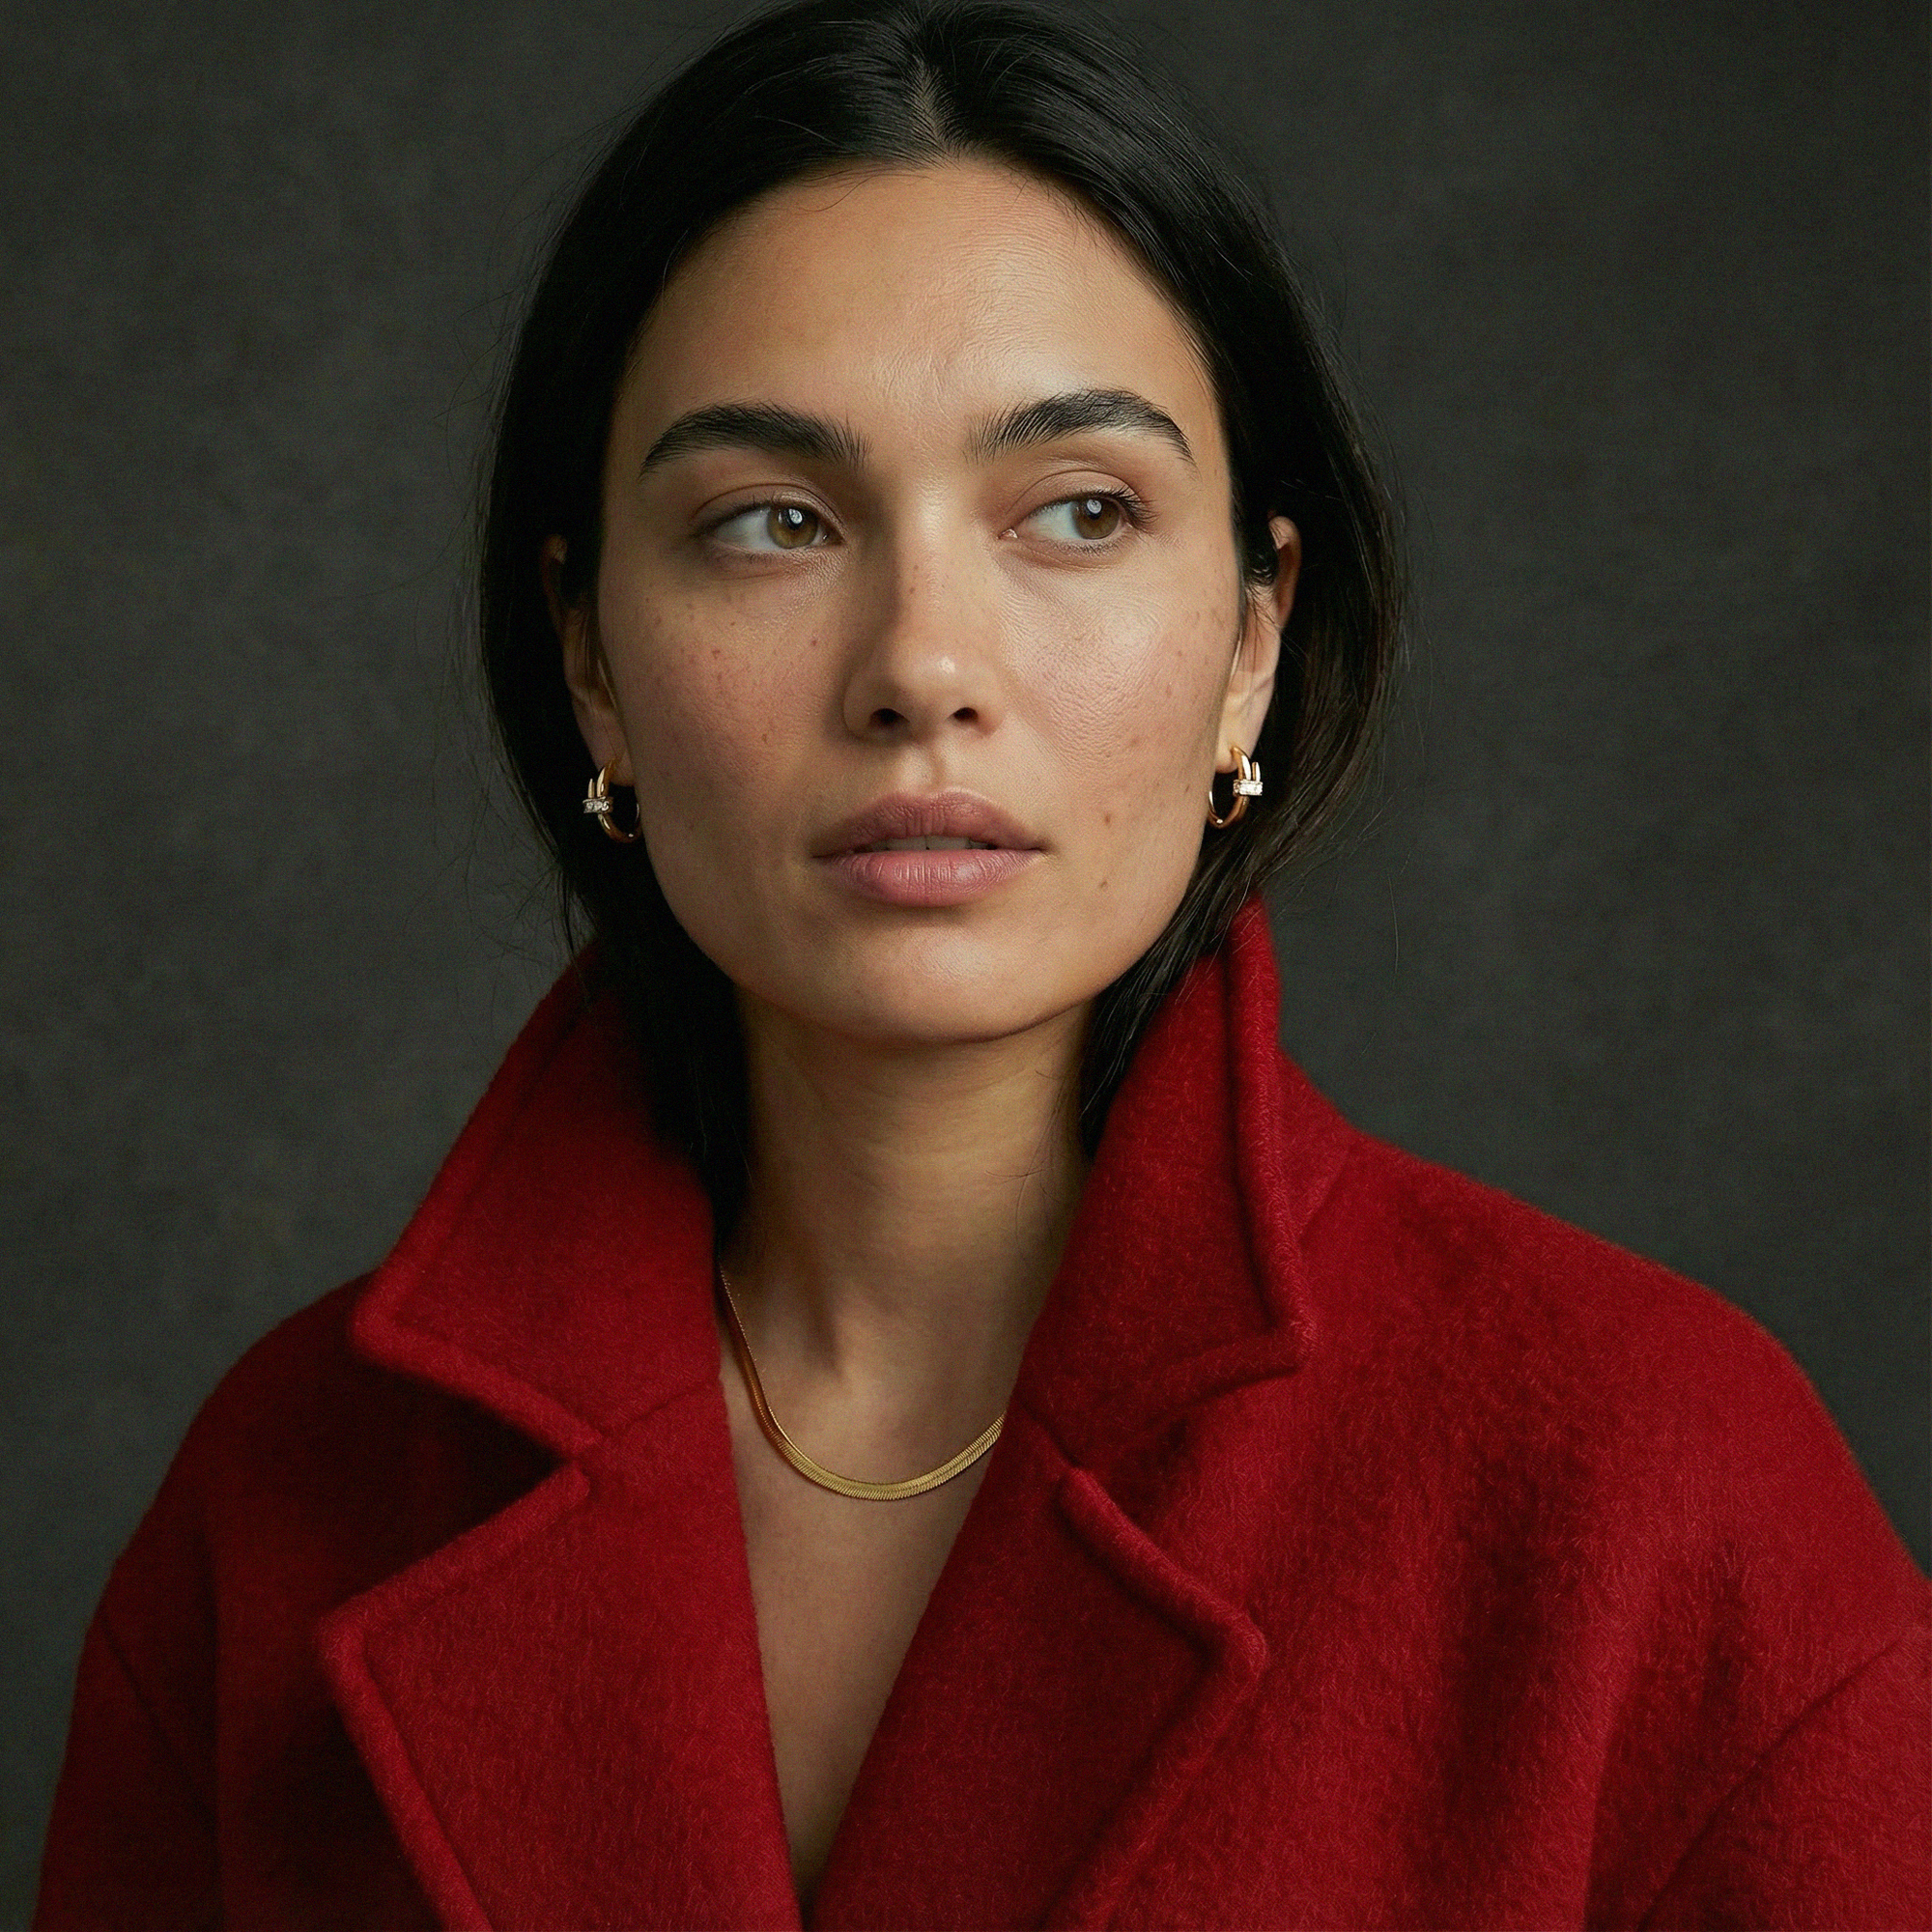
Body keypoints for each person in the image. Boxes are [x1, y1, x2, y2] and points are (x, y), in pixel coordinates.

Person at [35, 1, 1929, 1925]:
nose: (921, 662)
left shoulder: (1651, 1480)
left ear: (1253, 640)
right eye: (770, 522)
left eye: (1079, 512)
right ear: (589, 653)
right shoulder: (286, 1499)